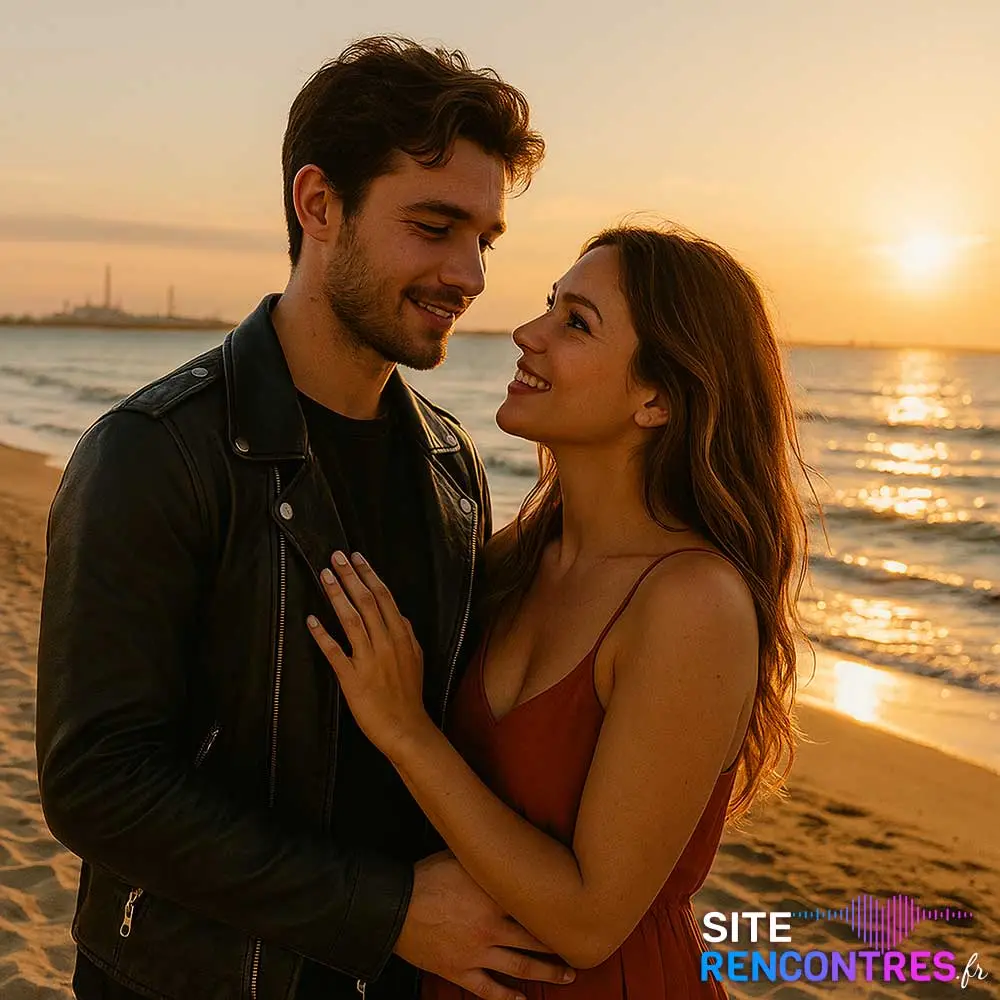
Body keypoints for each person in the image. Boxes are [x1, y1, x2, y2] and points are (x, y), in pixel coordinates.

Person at [35, 36, 573, 1000]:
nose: (469, 275)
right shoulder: (155, 452)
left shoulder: (453, 467)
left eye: (483, 240)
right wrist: (387, 911)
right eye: (434, 225)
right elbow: (98, 784)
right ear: (318, 205)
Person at [306, 224, 811, 998]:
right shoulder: (508, 561)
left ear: (658, 398)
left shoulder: (690, 603)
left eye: (575, 323)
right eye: (550, 306)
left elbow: (587, 920)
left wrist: (404, 729)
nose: (525, 333)